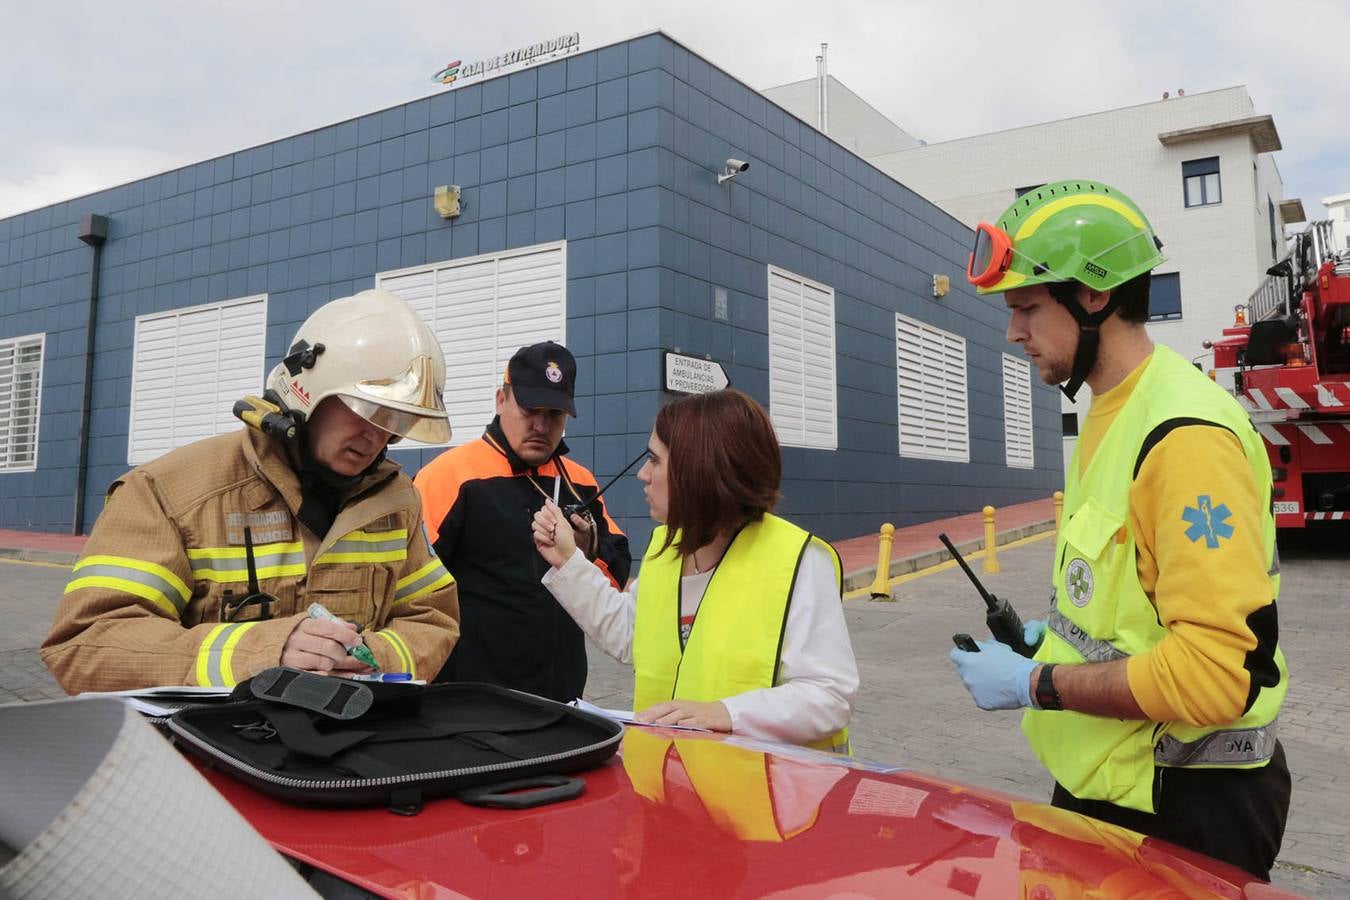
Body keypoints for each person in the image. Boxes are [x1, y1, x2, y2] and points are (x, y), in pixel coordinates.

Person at [948, 180, 1290, 879]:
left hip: (1180, 804)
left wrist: (1036, 682)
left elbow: (1212, 678)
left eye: (1027, 308)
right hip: (1109, 787)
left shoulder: (1184, 434)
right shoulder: (1110, 409)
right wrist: (1057, 645)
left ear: (1095, 296)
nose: (1014, 332)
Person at [42, 290, 460, 692]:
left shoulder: (395, 499)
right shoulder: (168, 493)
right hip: (209, 748)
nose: (377, 434)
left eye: (397, 418)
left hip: (345, 744)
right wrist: (264, 651)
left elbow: (430, 619)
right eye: (366, 408)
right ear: (308, 392)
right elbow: (87, 644)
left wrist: (372, 657)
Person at [532, 388, 857, 751]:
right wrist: (567, 560)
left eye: (654, 460)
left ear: (699, 470)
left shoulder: (797, 561)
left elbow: (830, 695)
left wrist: (727, 713)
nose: (642, 474)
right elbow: (631, 635)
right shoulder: (665, 548)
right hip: (677, 785)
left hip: (770, 795)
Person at [413, 341, 631, 702]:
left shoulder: (581, 482)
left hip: (563, 698)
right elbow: (411, 591)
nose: (542, 426)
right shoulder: (448, 476)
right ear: (502, 400)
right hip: (473, 701)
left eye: (555, 414)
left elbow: (615, 581)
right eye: (531, 410)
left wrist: (588, 549)